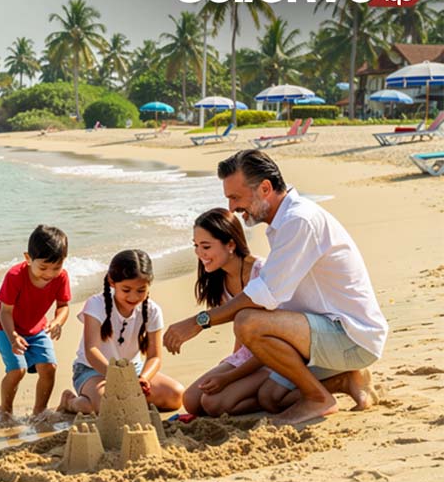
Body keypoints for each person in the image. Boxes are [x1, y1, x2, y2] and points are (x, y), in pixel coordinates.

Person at [164, 150, 386, 425]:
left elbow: (265, 296)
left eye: (235, 197)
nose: (231, 208)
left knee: (248, 321)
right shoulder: (281, 225)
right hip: (319, 335)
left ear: (265, 188)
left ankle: (318, 398)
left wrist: (200, 321)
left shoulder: (299, 221)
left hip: (350, 335)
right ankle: (346, 380)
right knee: (271, 396)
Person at [57, 250, 184, 415]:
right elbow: (91, 350)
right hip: (93, 371)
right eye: (126, 290)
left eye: (141, 290)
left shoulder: (152, 311)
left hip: (133, 371)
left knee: (176, 396)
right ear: (112, 282)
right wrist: (116, 376)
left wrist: (143, 379)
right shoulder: (96, 304)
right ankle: (71, 402)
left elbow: (154, 356)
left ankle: (126, 400)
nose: (133, 296)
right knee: (108, 406)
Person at [181, 208, 270, 416]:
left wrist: (230, 377)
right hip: (247, 356)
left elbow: (269, 339)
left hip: (271, 357)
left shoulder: (261, 273)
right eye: (196, 246)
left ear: (231, 244)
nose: (199, 253)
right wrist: (230, 364)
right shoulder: (220, 279)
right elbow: (241, 331)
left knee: (214, 404)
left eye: (206, 246)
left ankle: (281, 396)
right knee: (192, 401)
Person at [0, 226, 71, 426]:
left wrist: (57, 322)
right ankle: (5, 412)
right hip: (5, 326)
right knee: (18, 370)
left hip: (36, 327)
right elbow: (4, 312)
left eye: (56, 267)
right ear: (28, 258)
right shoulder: (15, 276)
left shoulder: (61, 277)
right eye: (43, 267)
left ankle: (39, 411)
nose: (49, 273)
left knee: (49, 367)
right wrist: (13, 338)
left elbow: (63, 306)